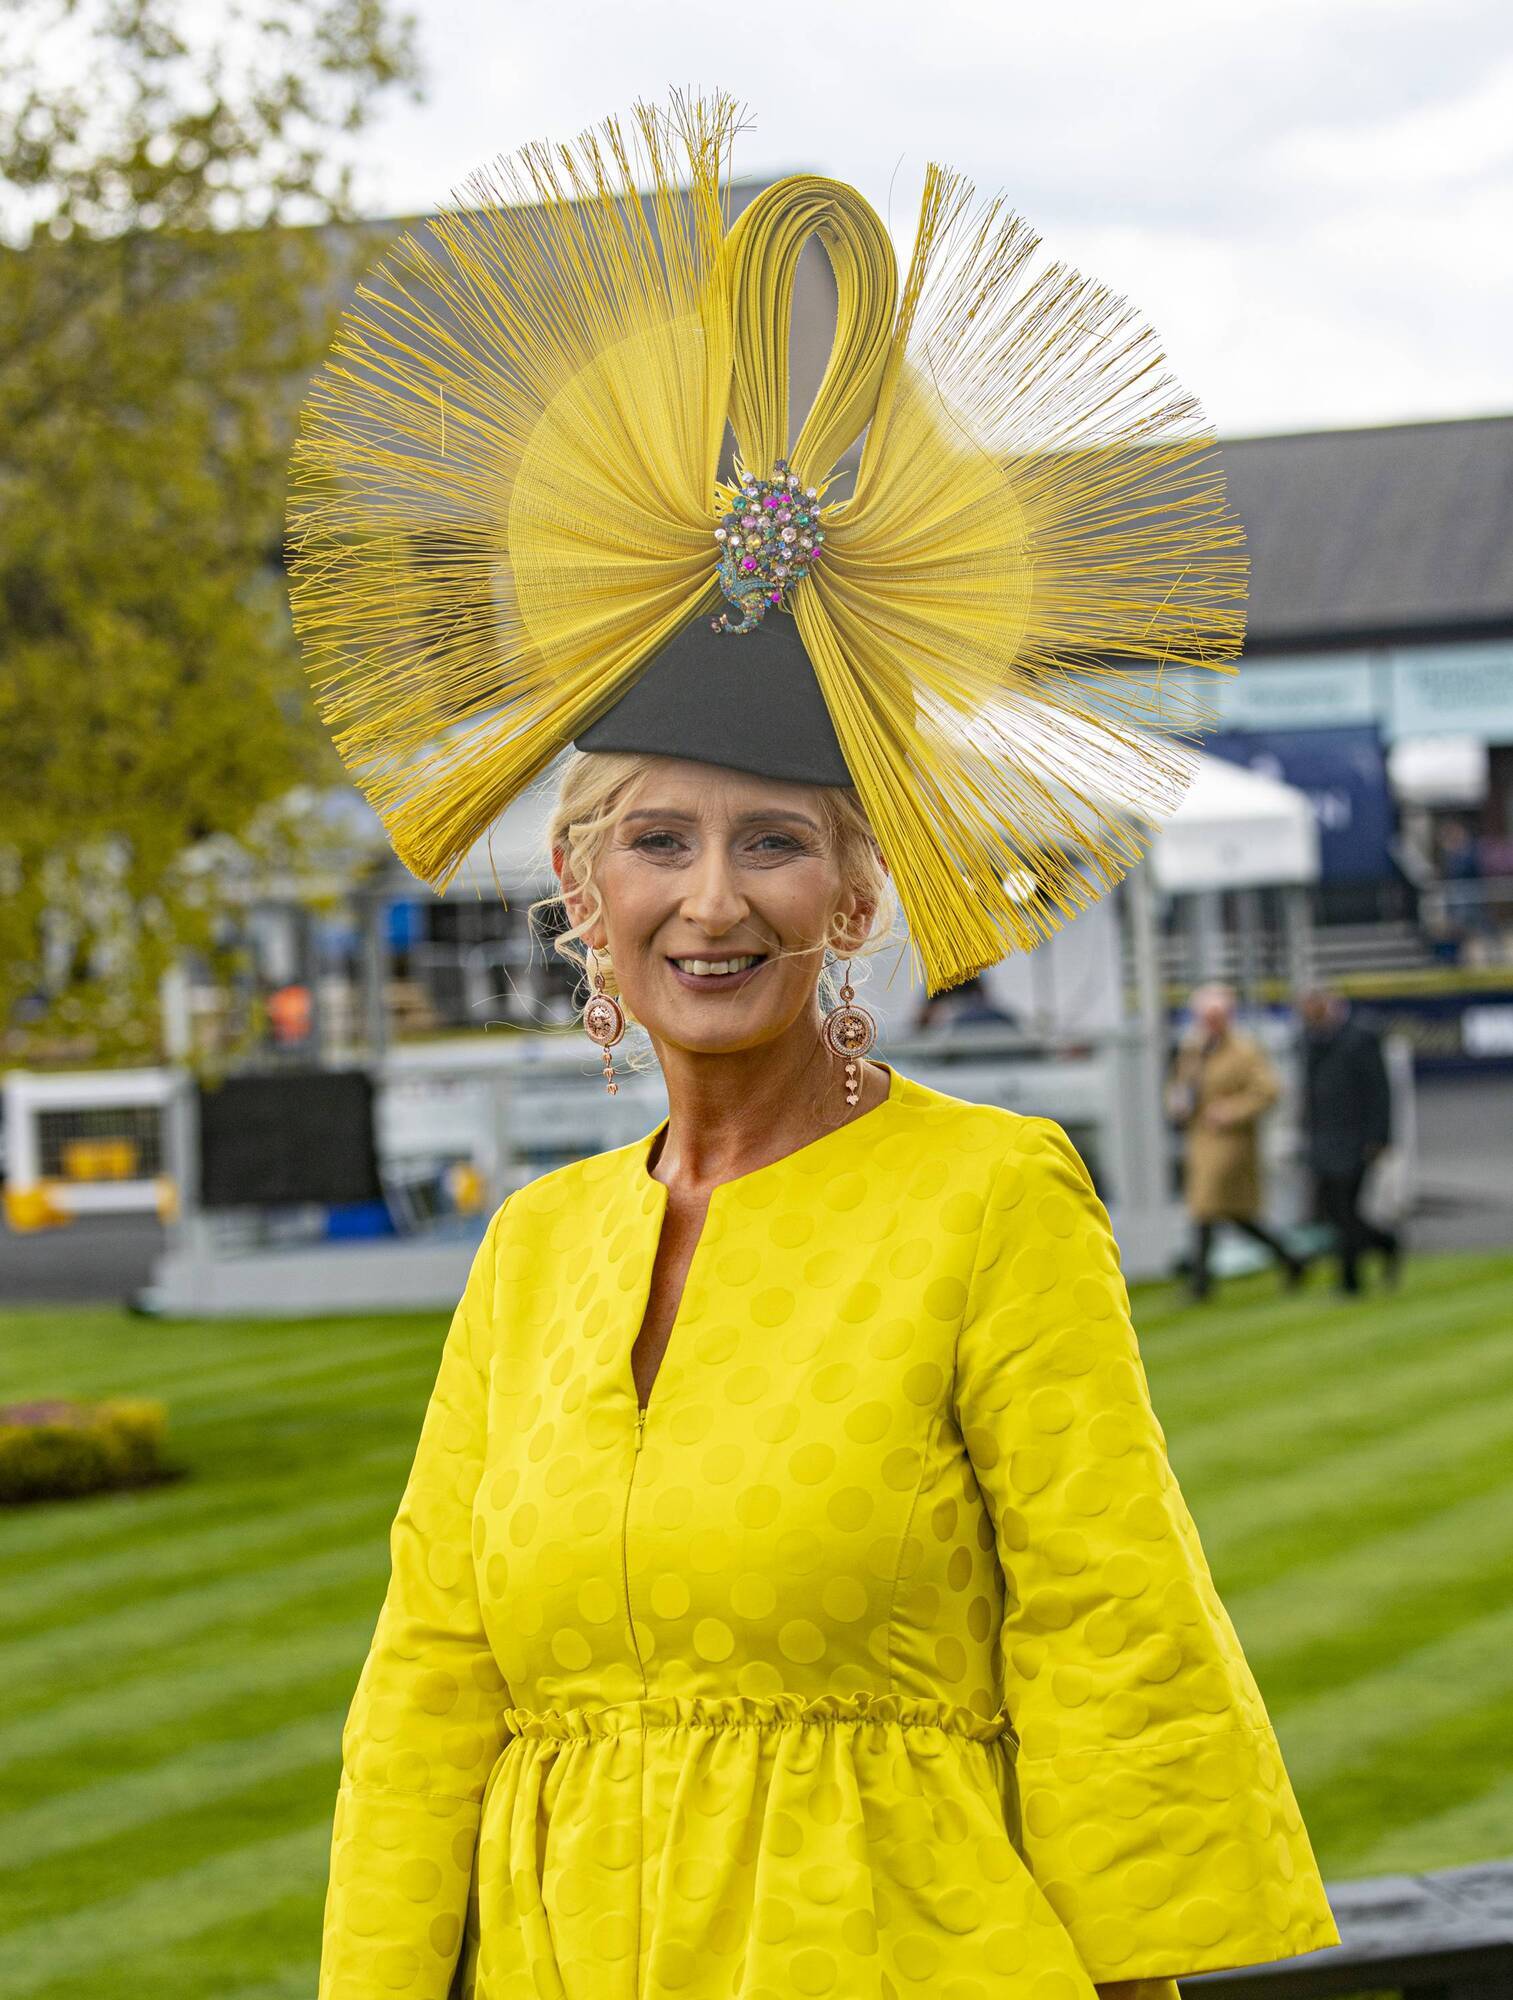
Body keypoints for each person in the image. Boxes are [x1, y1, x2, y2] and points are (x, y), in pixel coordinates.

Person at [288, 97, 1338, 2000]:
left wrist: (1151, 1972)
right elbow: (429, 1678)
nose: (713, 900)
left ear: (857, 891)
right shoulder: (532, 1253)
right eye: (658, 842)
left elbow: (1114, 1630)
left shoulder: (989, 1200)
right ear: (583, 887)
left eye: (773, 841)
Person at [1167, 985, 1305, 1301]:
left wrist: (1232, 1110)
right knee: (1232, 1212)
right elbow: (1180, 1086)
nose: (1209, 1023)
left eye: (1215, 1016)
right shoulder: (1194, 1049)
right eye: (1205, 1016)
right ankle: (1290, 1258)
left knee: (1206, 1206)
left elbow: (1269, 1091)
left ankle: (1200, 1283)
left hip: (1232, 1141)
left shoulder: (1245, 1050)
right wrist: (1176, 1104)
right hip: (1200, 1137)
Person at [1299, 988, 1401, 1294]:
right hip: (1323, 1138)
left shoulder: (1360, 1038)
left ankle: (1350, 1280)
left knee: (1345, 1209)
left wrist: (1379, 1137)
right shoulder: (1310, 1042)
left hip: (1355, 1139)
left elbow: (1379, 1091)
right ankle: (1385, 1243)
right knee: (1334, 1212)